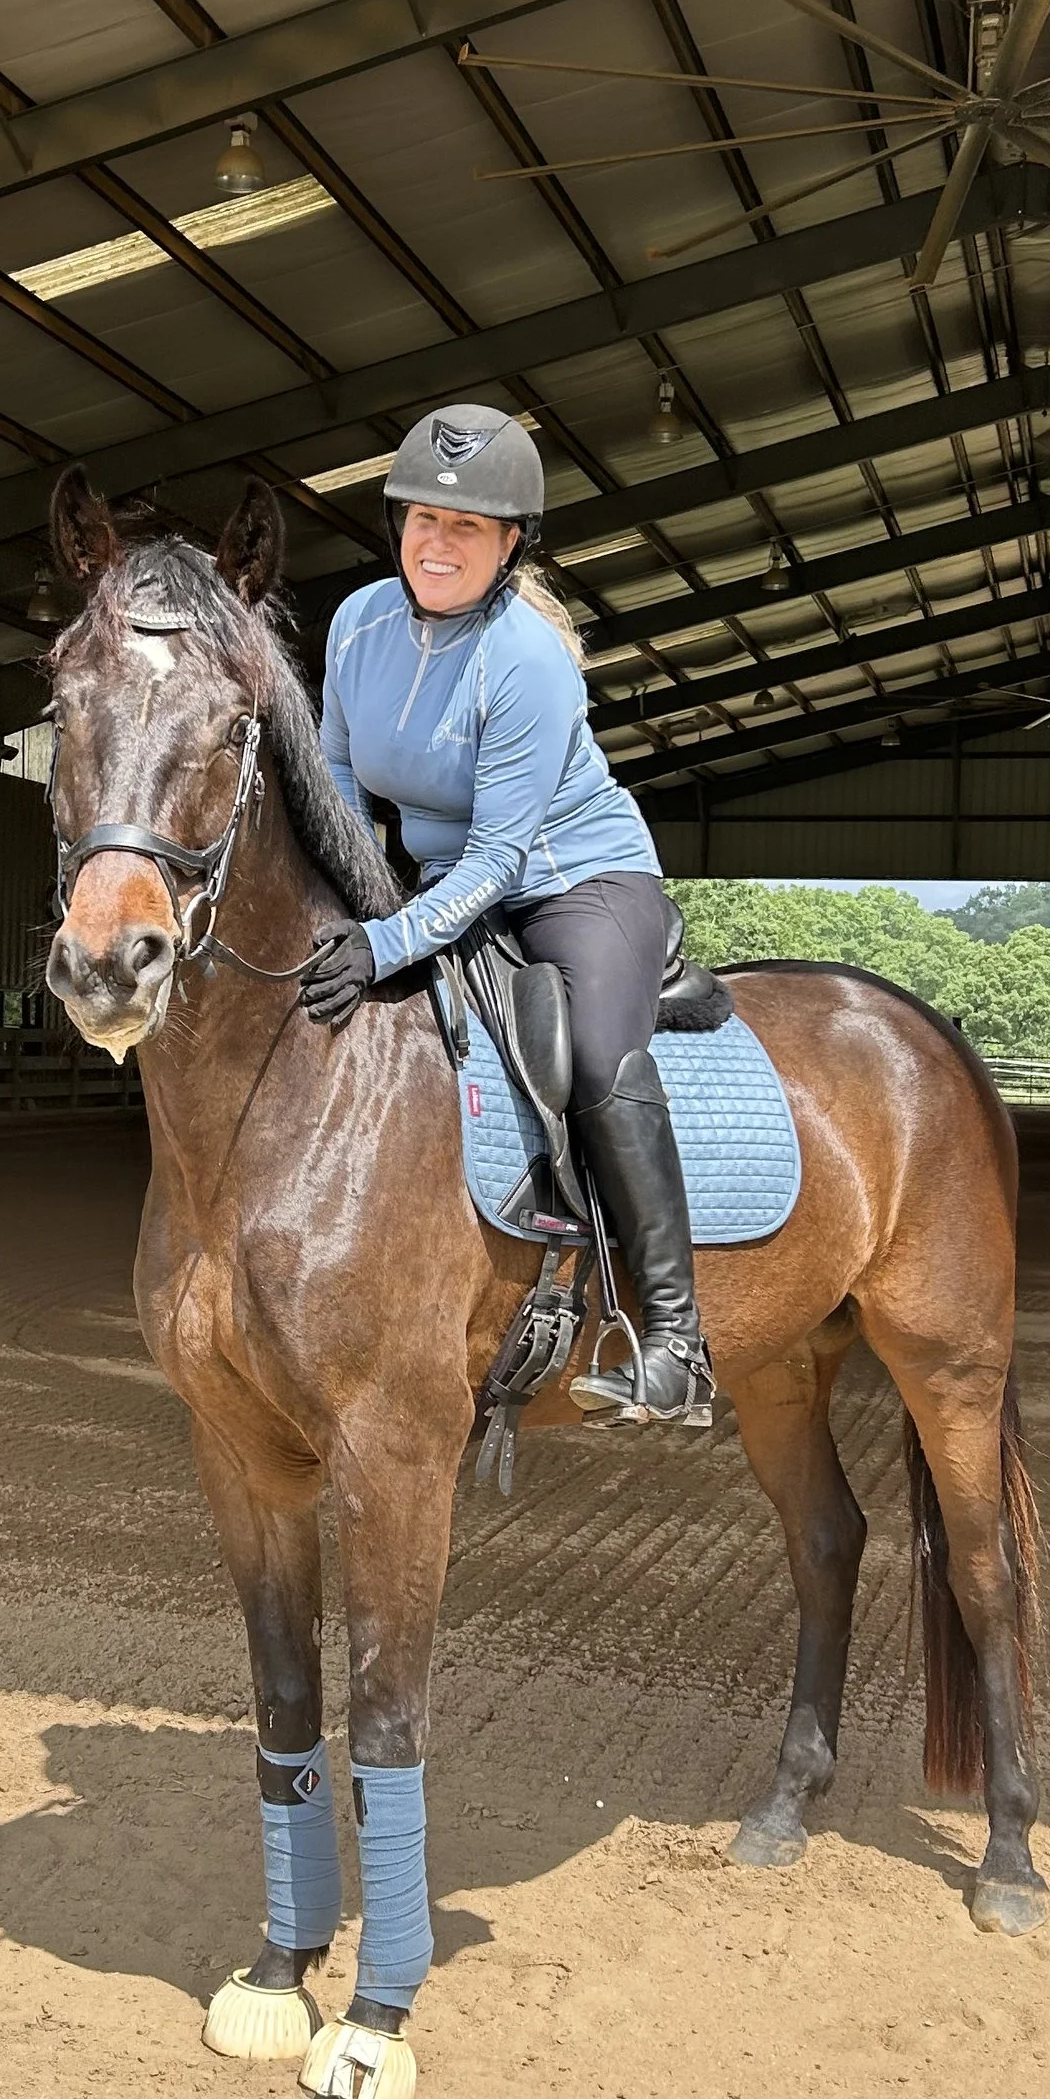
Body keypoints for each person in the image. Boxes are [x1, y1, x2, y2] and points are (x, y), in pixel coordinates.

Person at [298, 401, 712, 1426]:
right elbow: (339, 775)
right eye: (422, 521)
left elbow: (500, 859)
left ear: (511, 541)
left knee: (585, 1061)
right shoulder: (356, 625)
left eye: (467, 528)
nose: (437, 545)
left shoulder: (525, 660)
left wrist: (390, 939)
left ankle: (674, 1342)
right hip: (443, 883)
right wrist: (357, 900)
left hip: (577, 882)